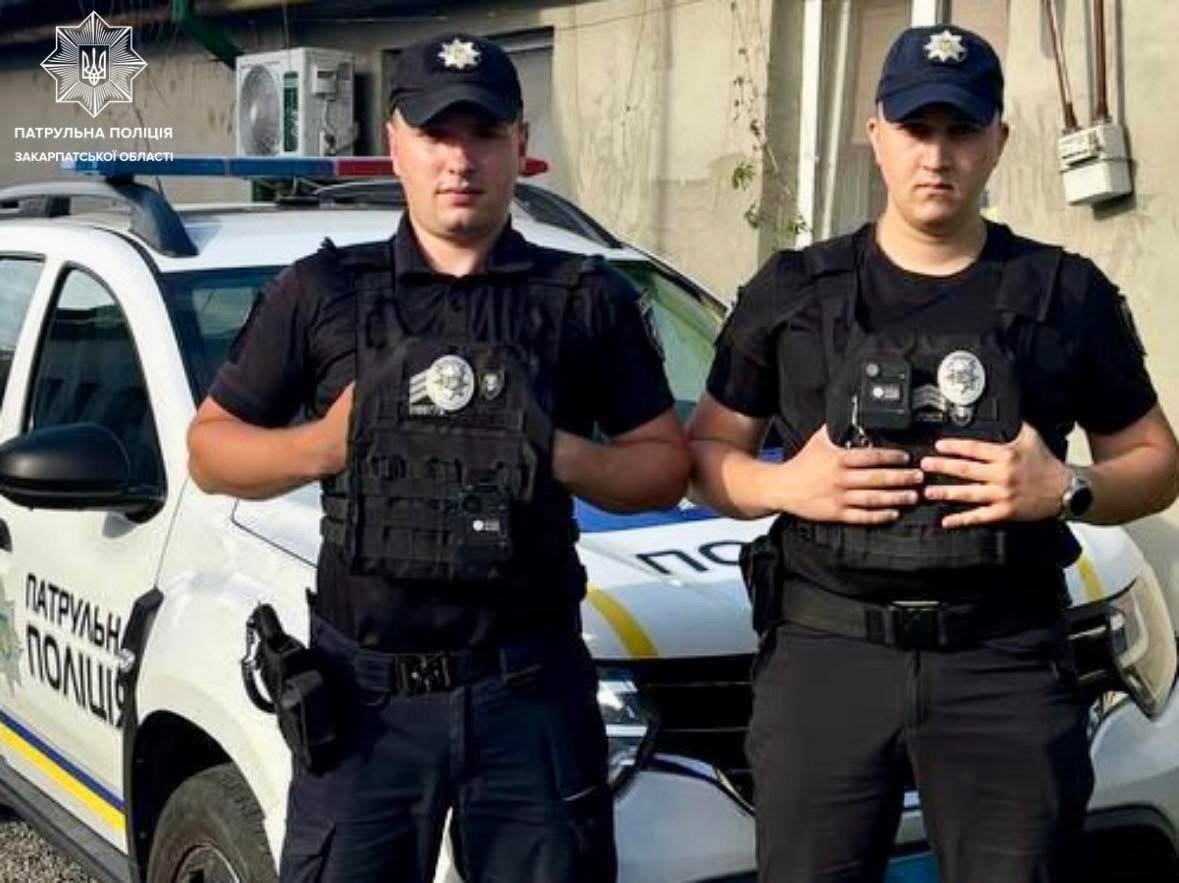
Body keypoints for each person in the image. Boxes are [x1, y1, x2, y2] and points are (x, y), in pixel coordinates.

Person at [187, 32, 688, 883]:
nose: (460, 159)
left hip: (528, 692)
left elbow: (662, 467)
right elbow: (210, 449)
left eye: (483, 133)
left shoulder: (584, 298)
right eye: (435, 133)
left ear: (520, 144)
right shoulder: (321, 292)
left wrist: (551, 449)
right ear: (396, 144)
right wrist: (324, 444)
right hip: (364, 700)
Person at [687, 24, 1179, 883]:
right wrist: (784, 484)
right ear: (875, 134)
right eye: (916, 128)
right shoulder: (793, 293)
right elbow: (702, 455)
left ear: (998, 140)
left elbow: (1155, 461)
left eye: (961, 130)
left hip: (1001, 659)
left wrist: (1064, 486)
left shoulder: (1064, 294)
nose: (937, 155)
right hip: (828, 654)